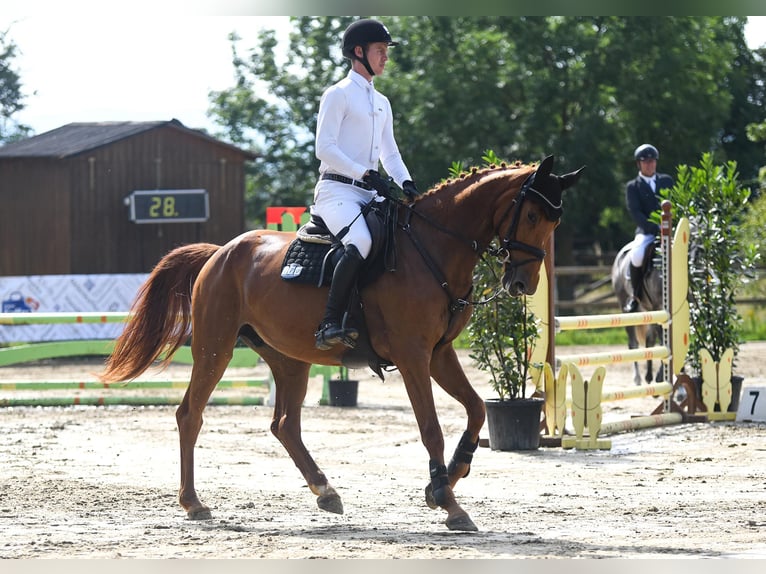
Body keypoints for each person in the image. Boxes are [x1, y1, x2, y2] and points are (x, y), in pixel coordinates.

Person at [311, 18, 419, 351]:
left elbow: (390, 152)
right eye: (380, 51)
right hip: (336, 191)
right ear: (359, 52)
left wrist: (408, 184)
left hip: (369, 193)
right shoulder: (337, 95)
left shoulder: (382, 102)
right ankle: (329, 323)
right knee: (360, 240)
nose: (386, 57)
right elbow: (324, 147)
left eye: (386, 51)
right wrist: (364, 173)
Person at [623, 143, 674, 312]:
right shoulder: (633, 187)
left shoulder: (667, 181)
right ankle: (635, 296)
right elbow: (636, 213)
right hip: (647, 233)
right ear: (639, 164)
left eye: (652, 161)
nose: (650, 164)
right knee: (636, 256)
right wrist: (655, 229)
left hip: (670, 231)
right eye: (645, 162)